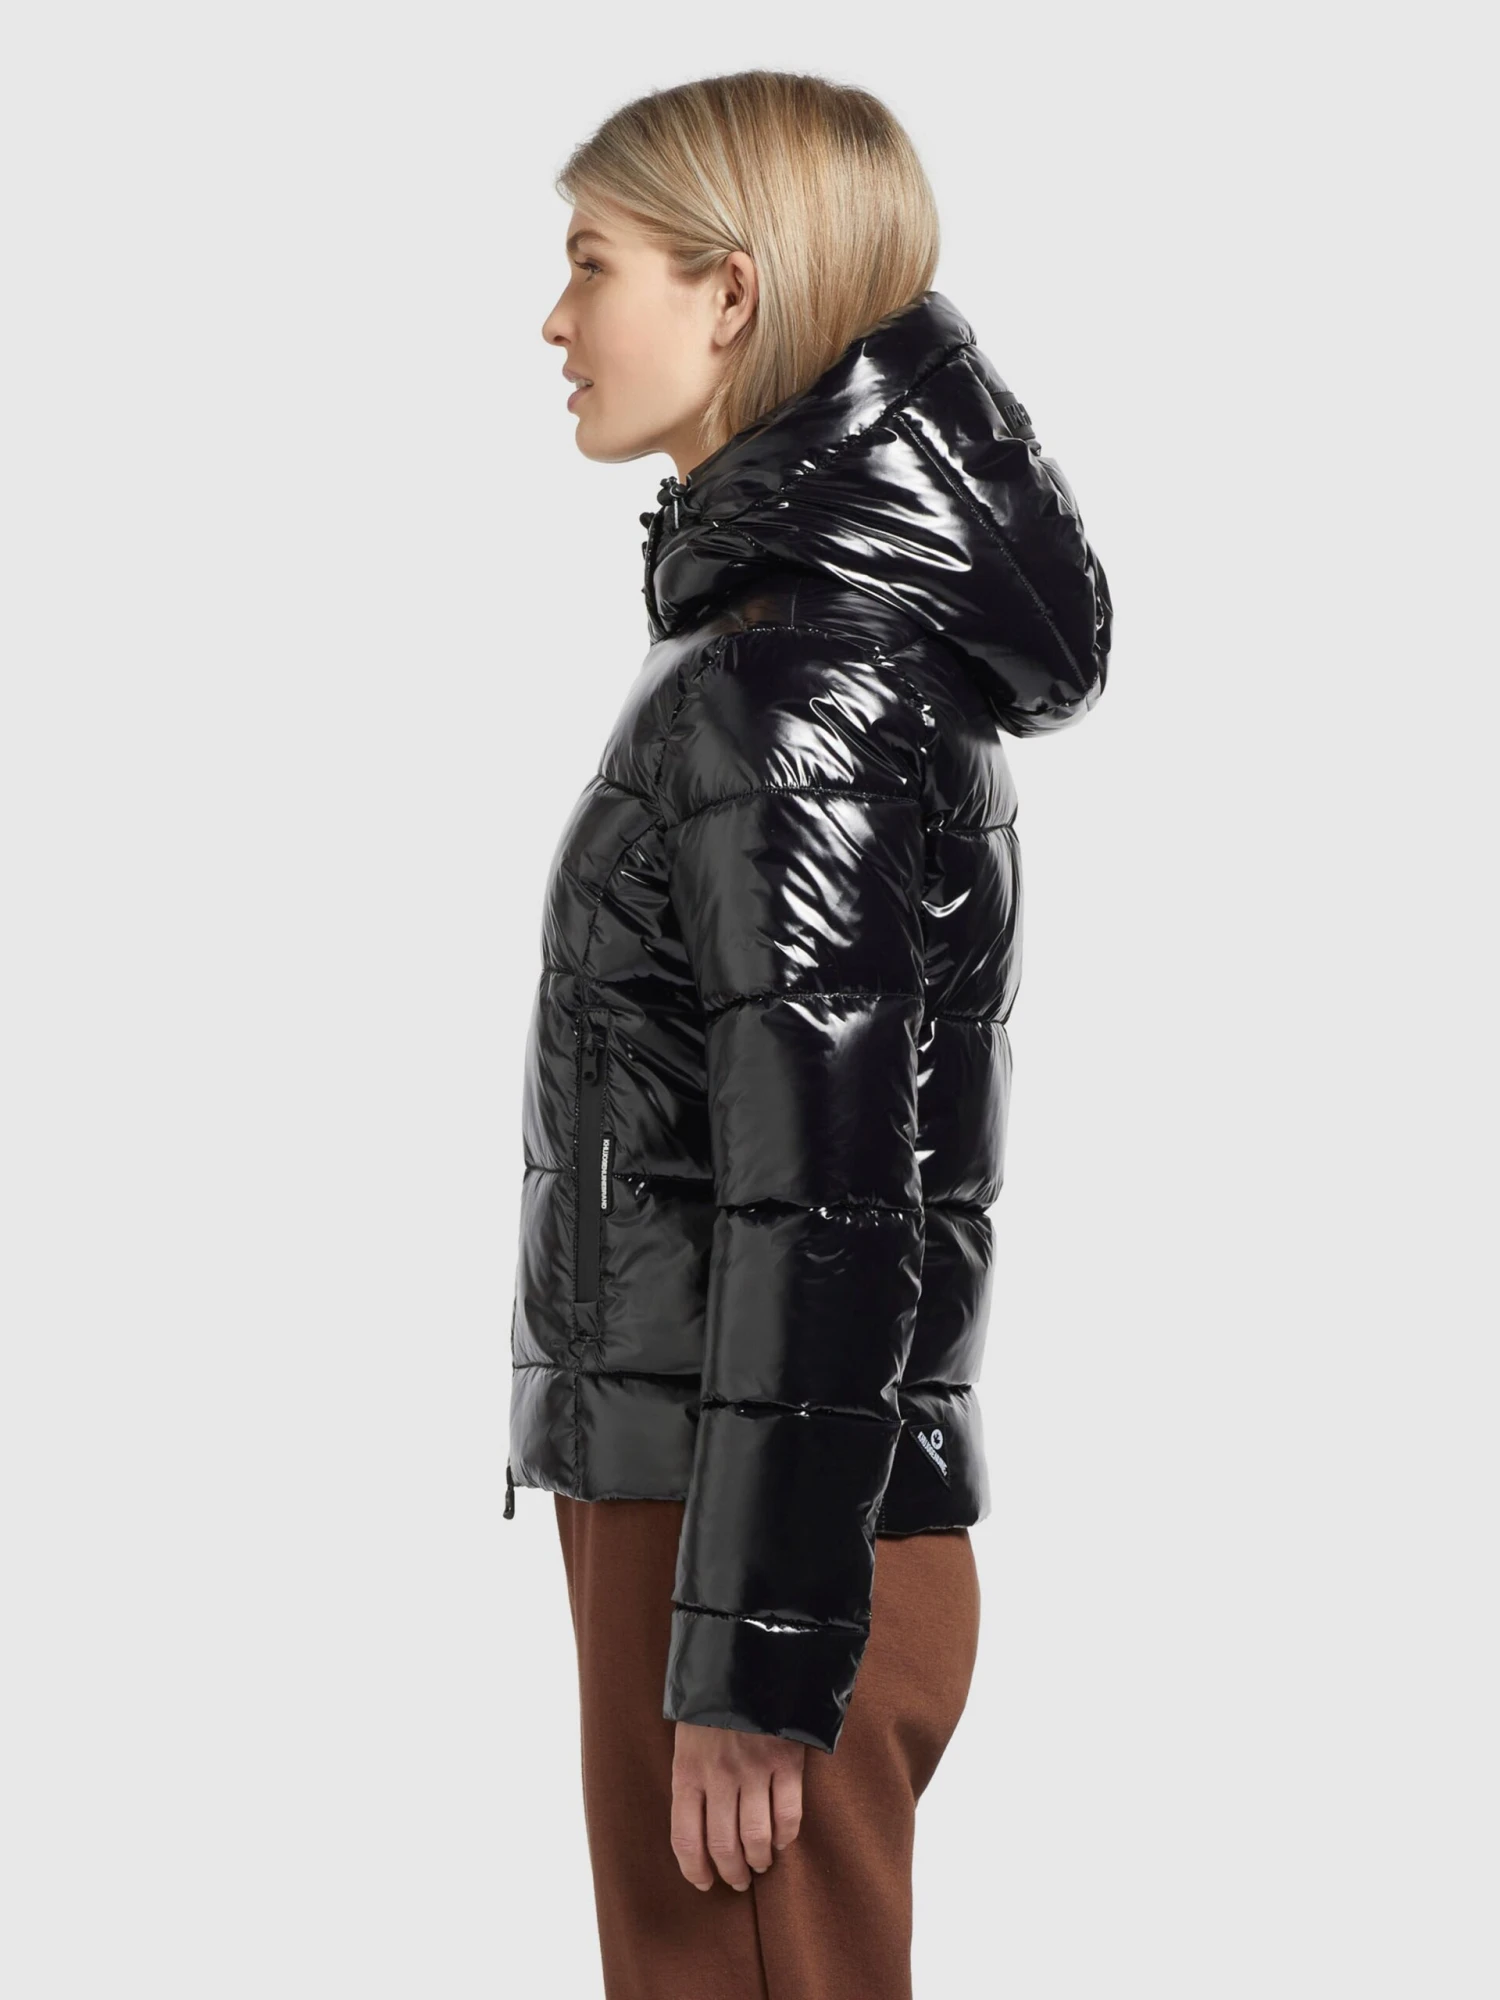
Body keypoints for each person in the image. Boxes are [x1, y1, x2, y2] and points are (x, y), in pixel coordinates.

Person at [505, 68, 1113, 2000]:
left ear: (733, 294)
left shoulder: (793, 686)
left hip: (755, 1544)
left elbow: (833, 1201)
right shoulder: (801, 646)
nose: (554, 319)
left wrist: (758, 1660)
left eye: (591, 264)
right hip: (738, 1518)